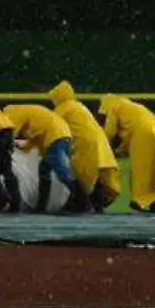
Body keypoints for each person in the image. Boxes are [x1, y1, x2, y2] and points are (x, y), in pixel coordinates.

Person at [46, 81, 121, 212]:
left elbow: (52, 129)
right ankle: (95, 204)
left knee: (80, 178)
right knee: (98, 177)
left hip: (85, 146)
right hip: (102, 145)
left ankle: (82, 204)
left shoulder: (62, 109)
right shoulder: (80, 106)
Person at [1, 102, 86, 212]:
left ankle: (83, 201)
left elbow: (10, 132)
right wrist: (22, 146)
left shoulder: (11, 113)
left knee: (62, 171)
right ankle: (42, 205)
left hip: (55, 136)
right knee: (44, 170)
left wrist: (4, 143)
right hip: (61, 133)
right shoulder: (28, 112)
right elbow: (35, 137)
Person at [99, 95, 155, 213]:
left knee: (140, 168)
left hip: (143, 131)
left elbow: (110, 132)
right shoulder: (128, 107)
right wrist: (119, 151)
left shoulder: (113, 107)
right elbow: (130, 134)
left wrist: (102, 145)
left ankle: (141, 200)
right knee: (153, 167)